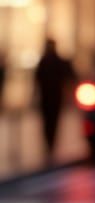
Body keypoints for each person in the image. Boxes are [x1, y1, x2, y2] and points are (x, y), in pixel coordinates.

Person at [34, 37, 76, 166]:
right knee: (50, 121)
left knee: (50, 121)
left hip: (52, 96)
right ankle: (49, 144)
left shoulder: (50, 61)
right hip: (50, 96)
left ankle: (50, 144)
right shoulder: (48, 61)